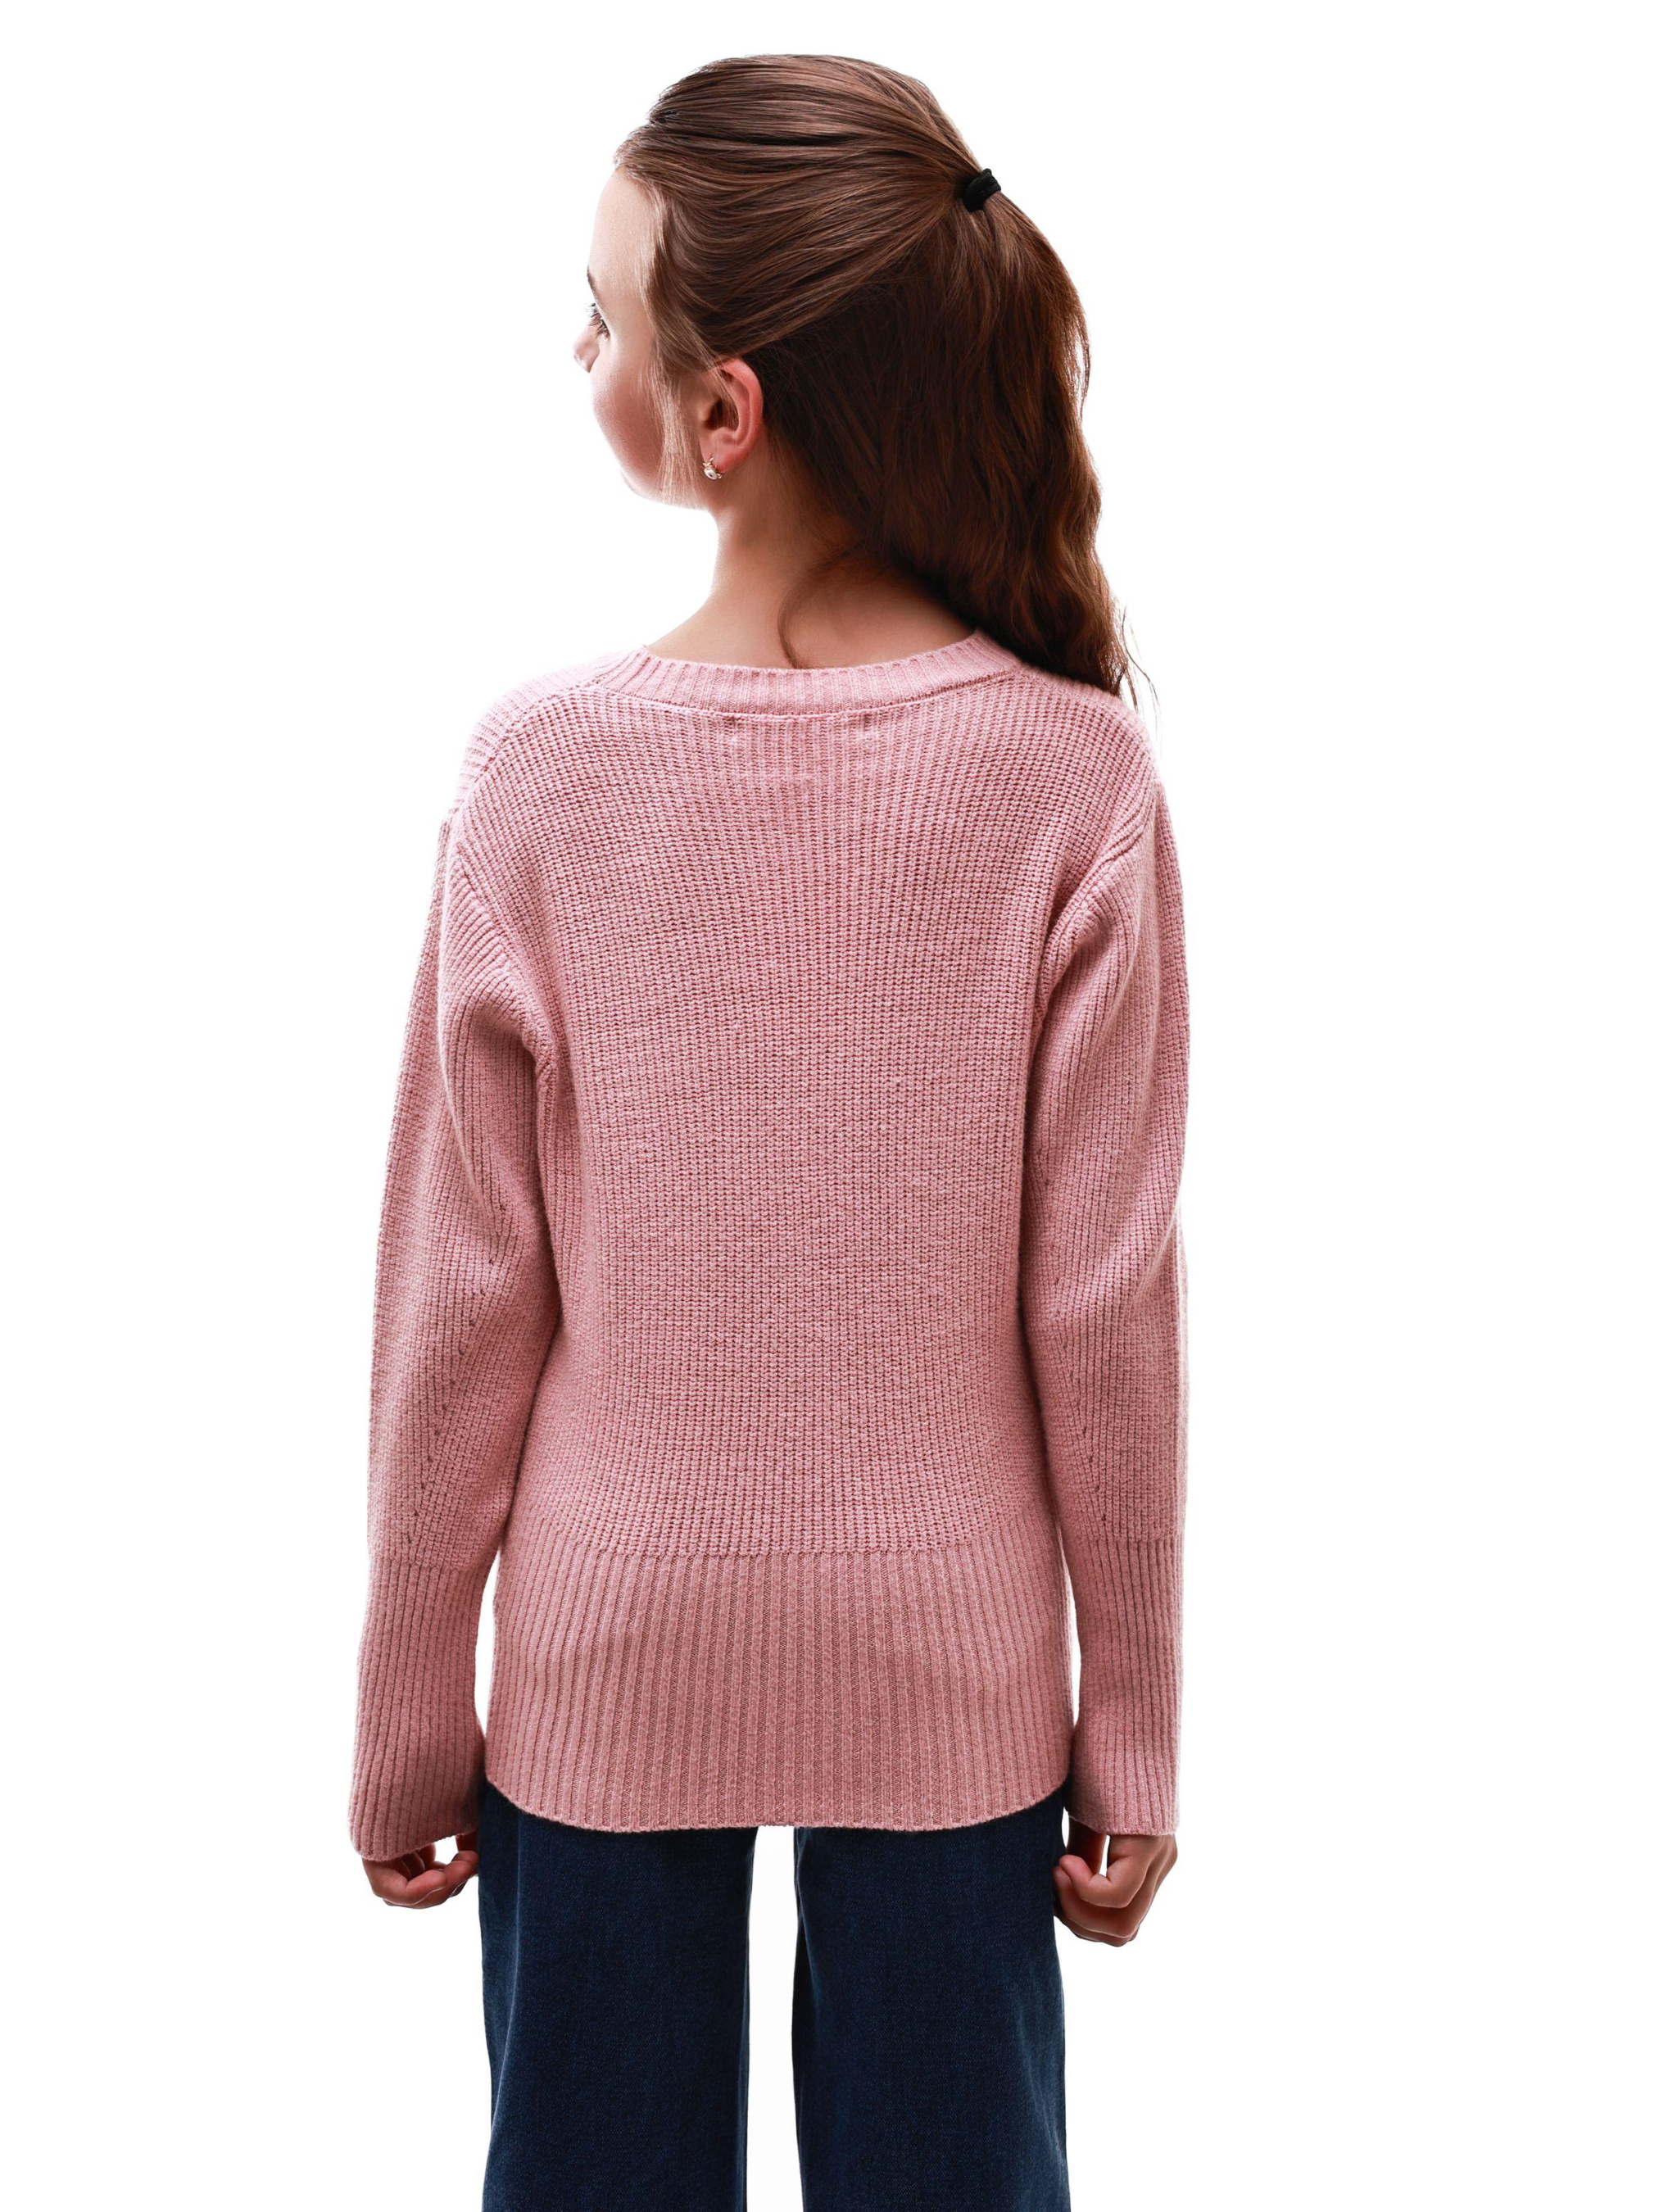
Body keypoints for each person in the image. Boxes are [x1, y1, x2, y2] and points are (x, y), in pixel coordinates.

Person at [350, 52, 1188, 2212]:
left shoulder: (540, 774)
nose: (579, 354)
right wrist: (1132, 1723)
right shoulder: (1075, 783)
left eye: (602, 317)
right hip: (953, 1672)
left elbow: (463, 1298)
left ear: (720, 413)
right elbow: (1102, 1308)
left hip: (608, 1652)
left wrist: (409, 1691)